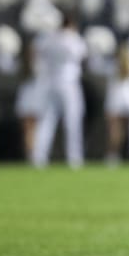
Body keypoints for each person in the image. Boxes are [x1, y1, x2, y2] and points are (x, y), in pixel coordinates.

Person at [31, 13, 87, 168]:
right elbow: (82, 55)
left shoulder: (48, 38)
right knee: (72, 121)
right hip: (69, 84)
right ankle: (74, 157)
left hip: (50, 82)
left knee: (47, 120)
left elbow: (36, 51)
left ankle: (39, 156)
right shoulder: (73, 39)